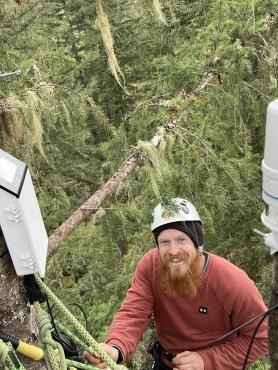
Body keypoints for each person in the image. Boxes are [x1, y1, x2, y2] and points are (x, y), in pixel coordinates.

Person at [84, 198, 268, 370]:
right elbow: (134, 312)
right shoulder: (151, 266)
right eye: (164, 242)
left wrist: (206, 360)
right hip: (166, 362)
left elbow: (264, 339)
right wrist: (115, 348)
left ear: (197, 243)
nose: (173, 251)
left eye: (181, 240)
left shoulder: (232, 282)